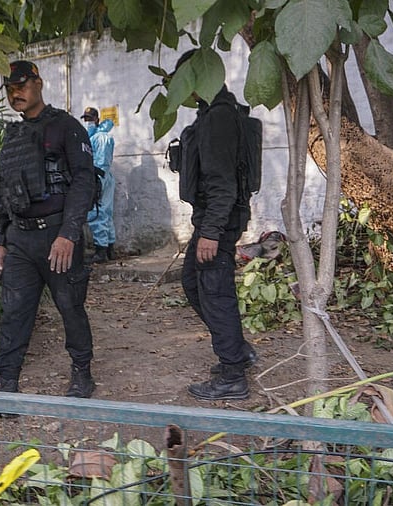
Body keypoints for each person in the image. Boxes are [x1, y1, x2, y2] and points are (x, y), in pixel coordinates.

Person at [0, 60, 98, 398]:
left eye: (21, 85)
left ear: (39, 83)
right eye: (9, 89)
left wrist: (69, 233)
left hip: (57, 237)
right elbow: (5, 190)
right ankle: (7, 383)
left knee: (70, 306)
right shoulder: (14, 135)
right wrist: (0, 241)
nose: (15, 93)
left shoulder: (66, 127)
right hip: (20, 238)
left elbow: (84, 182)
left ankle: (82, 373)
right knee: (14, 312)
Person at [170, 50, 257, 401]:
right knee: (193, 281)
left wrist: (210, 232)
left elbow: (223, 184)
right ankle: (238, 351)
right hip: (213, 220)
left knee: (216, 294)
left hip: (217, 223)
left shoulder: (219, 118)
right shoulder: (216, 113)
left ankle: (233, 375)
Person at [81, 107, 116, 264]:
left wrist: (94, 177)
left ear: (96, 119)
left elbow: (101, 162)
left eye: (89, 119)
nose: (87, 122)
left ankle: (101, 250)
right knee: (106, 212)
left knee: (97, 212)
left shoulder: (100, 137)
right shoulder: (96, 136)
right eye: (85, 119)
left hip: (98, 176)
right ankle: (109, 248)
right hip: (104, 177)